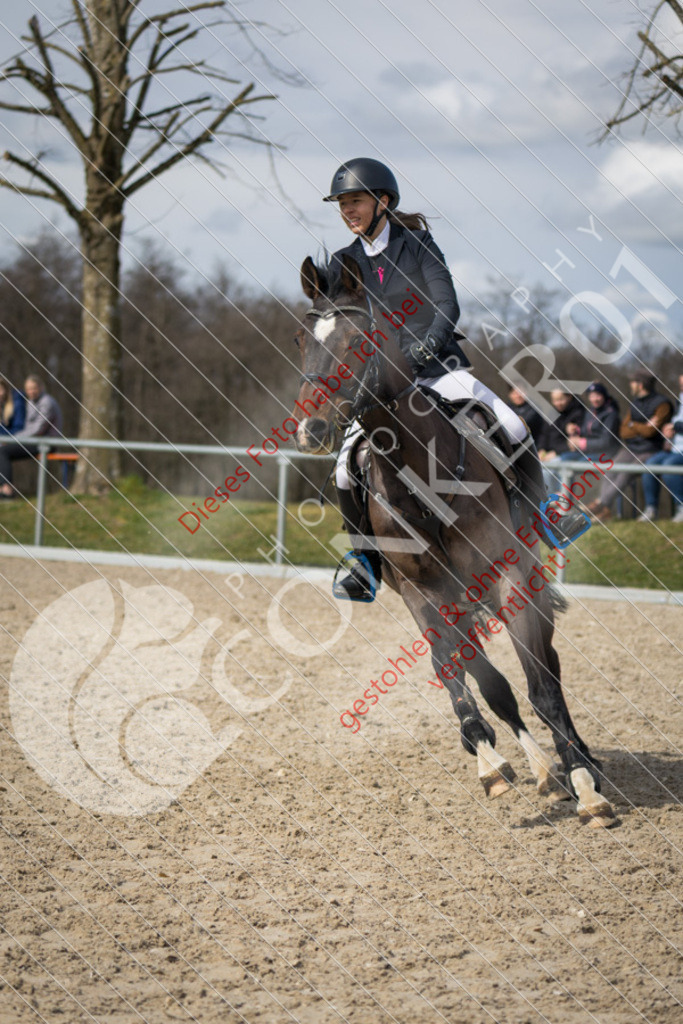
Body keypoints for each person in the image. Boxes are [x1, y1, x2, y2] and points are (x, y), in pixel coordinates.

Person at [322, 158, 588, 600]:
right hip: (379, 386)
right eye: (342, 204)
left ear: (382, 201)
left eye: (355, 201)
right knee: (345, 469)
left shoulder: (418, 244)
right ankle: (364, 562)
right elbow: (339, 325)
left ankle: (544, 514)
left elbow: (447, 305)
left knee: (513, 423)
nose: (348, 210)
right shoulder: (343, 261)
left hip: (436, 367)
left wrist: (423, 348)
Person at [588, 369, 672, 522]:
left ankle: (600, 505)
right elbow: (623, 431)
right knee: (611, 470)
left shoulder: (663, 404)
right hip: (632, 448)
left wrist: (635, 426)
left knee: (625, 474)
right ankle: (604, 509)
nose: (630, 385)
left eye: (633, 382)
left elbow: (651, 432)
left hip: (651, 450)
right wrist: (640, 426)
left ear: (640, 384)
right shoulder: (635, 404)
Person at [0, 375, 63, 499]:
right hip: (33, 441)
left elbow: (38, 429)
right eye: (28, 389)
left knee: (3, 452)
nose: (31, 391)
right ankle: (4, 488)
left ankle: (7, 491)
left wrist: (12, 439)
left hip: (45, 443)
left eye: (34, 388)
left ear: (41, 387)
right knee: (2, 451)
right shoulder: (31, 402)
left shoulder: (46, 403)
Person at [638, 372, 683, 522]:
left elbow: (677, 425)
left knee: (669, 466)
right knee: (650, 464)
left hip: (679, 454)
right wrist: (667, 432)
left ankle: (681, 507)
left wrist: (675, 426)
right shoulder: (679, 400)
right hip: (673, 449)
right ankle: (651, 508)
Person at [565, 382, 621, 462]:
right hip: (588, 451)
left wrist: (583, 443)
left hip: (605, 454)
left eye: (597, 396)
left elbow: (606, 441)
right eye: (591, 396)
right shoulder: (590, 412)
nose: (594, 399)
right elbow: (586, 431)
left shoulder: (611, 414)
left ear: (604, 396)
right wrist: (576, 430)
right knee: (564, 458)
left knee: (581, 463)